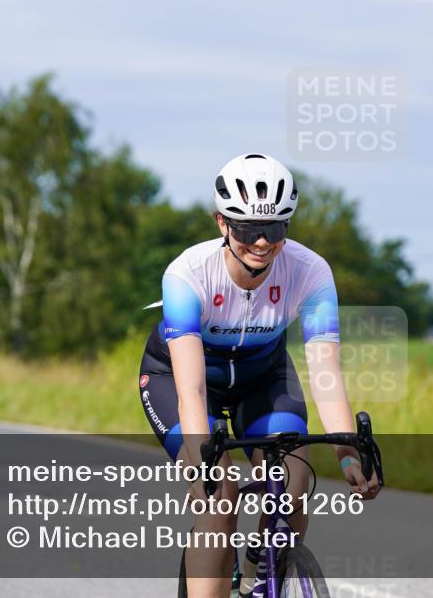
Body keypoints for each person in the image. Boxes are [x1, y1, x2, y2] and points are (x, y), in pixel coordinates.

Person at [138, 153, 381, 598]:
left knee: (294, 478)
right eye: (249, 228)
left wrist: (348, 452)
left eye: (276, 228)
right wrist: (201, 463)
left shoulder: (311, 272)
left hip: (262, 377)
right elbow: (190, 389)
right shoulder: (187, 275)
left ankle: (261, 574)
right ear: (222, 223)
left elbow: (325, 370)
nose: (263, 242)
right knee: (220, 494)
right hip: (182, 381)